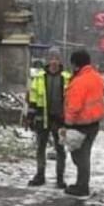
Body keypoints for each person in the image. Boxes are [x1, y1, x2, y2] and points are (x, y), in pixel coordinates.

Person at [61, 49, 104, 197]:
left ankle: (82, 186)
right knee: (84, 155)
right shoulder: (96, 77)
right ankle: (82, 183)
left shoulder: (79, 82)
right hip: (94, 122)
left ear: (76, 64)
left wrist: (67, 124)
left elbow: (74, 106)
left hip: (81, 124)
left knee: (80, 156)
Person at [26, 48, 71, 188]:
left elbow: (71, 99)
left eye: (56, 58)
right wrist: (30, 117)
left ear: (60, 60)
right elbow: (33, 98)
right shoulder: (39, 77)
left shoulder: (67, 77)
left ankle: (60, 178)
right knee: (40, 147)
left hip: (60, 119)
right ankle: (40, 175)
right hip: (42, 117)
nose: (53, 61)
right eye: (51, 58)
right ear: (47, 60)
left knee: (60, 149)